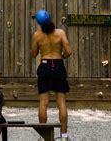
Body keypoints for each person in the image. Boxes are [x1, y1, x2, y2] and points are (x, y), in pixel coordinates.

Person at [30, 9, 72, 141]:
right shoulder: (60, 33)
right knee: (61, 102)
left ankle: (44, 137)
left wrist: (38, 48)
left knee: (43, 103)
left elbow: (33, 54)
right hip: (58, 65)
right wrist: (62, 57)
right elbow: (69, 51)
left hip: (45, 65)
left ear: (39, 23)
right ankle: (64, 136)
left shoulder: (37, 35)